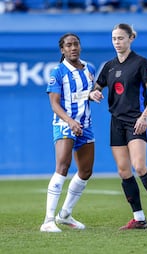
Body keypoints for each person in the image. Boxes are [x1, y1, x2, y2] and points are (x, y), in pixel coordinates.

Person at [89, 23, 147, 230]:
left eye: (121, 38)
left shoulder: (141, 63)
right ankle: (139, 218)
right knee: (123, 171)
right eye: (114, 39)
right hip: (116, 122)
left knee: (140, 166)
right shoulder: (109, 66)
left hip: (136, 120)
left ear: (131, 38)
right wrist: (94, 93)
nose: (117, 42)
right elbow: (96, 87)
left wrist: (144, 117)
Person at [40, 33, 96, 232]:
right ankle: (48, 221)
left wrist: (93, 94)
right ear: (62, 50)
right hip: (64, 123)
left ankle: (64, 215)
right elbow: (54, 104)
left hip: (85, 125)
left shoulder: (89, 68)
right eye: (69, 45)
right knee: (63, 166)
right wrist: (70, 121)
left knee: (86, 171)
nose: (73, 48)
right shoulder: (58, 72)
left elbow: (86, 93)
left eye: (76, 44)